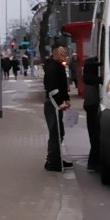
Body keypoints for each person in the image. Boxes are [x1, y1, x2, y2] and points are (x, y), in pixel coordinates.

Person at [43, 43, 72, 172]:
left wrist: (66, 99)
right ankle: (52, 161)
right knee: (55, 132)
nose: (64, 55)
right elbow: (52, 88)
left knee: (59, 131)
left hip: (57, 103)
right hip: (53, 104)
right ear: (55, 53)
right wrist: (61, 102)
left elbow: (62, 85)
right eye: (62, 53)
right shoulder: (52, 68)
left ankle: (56, 158)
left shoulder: (57, 66)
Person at [83, 56, 101, 171]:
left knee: (94, 135)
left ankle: (93, 162)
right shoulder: (93, 81)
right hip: (93, 105)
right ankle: (94, 162)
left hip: (90, 105)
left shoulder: (89, 79)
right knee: (96, 135)